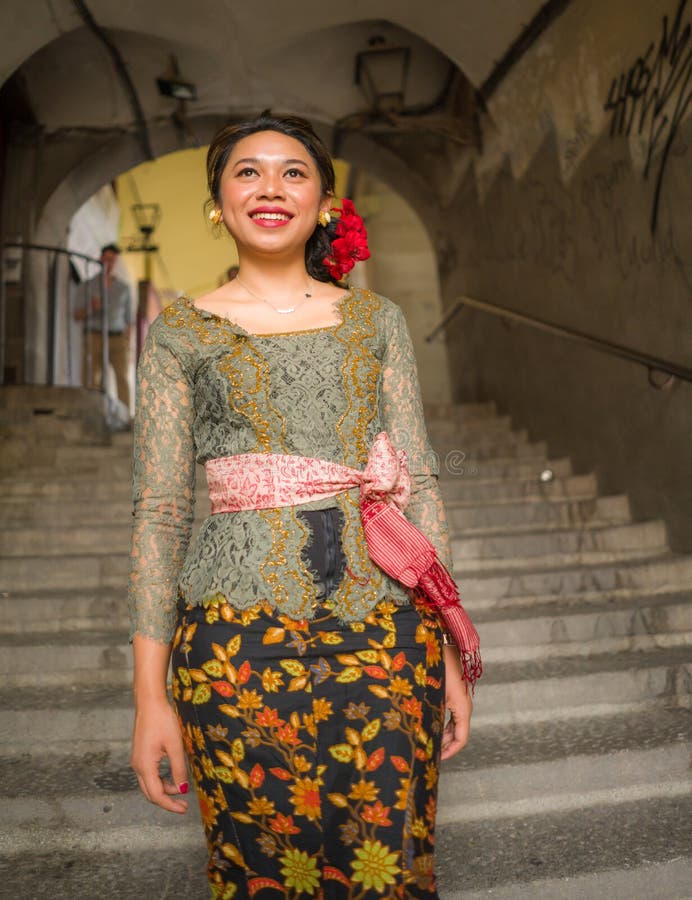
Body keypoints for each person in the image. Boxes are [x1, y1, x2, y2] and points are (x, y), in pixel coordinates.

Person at [128, 112, 481, 899]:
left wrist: (452, 658)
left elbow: (419, 481)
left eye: (294, 171)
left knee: (385, 865)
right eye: (246, 171)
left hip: (387, 634)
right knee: (261, 870)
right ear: (218, 202)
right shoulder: (181, 332)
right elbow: (158, 511)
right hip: (232, 645)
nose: (270, 187)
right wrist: (151, 698)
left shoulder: (377, 322)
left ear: (325, 201)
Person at [74, 243, 133, 408]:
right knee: (92, 378)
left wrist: (127, 342)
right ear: (100, 260)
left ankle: (124, 415)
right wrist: (91, 308)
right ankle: (93, 412)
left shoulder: (124, 288)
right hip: (94, 335)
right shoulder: (87, 285)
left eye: (113, 260)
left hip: (117, 337)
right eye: (106, 260)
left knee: (122, 377)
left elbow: (129, 320)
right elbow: (76, 315)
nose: (109, 264)